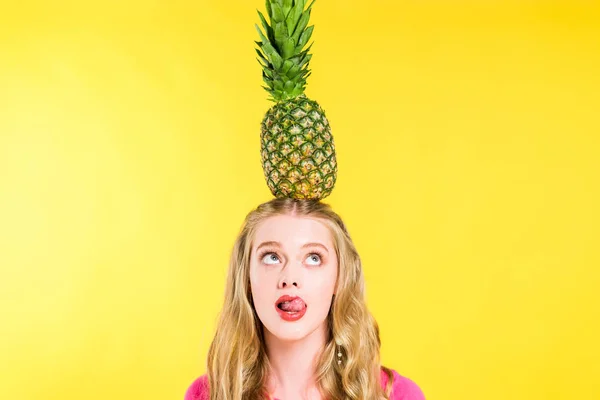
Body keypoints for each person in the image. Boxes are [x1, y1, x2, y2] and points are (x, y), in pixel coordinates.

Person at [184, 198, 425, 400]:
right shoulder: (209, 394)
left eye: (313, 258)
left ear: (339, 278)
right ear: (246, 277)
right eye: (271, 257)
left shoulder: (395, 394)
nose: (290, 278)